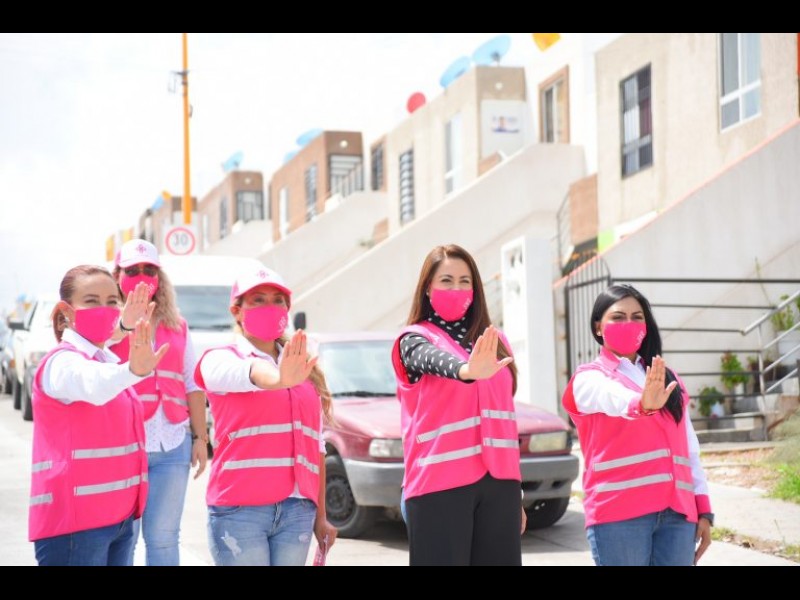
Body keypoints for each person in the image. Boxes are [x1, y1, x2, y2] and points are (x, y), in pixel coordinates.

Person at [194, 264, 337, 566]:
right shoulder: (219, 359)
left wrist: (321, 516)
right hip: (239, 510)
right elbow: (252, 373)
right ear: (237, 311)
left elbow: (316, 447)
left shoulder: (302, 368)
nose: (269, 307)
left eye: (277, 300)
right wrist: (280, 379)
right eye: (257, 300)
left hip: (298, 510)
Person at [391, 244, 525, 566]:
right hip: (438, 485)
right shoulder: (413, 339)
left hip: (500, 485)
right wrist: (466, 370)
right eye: (446, 281)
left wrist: (516, 495)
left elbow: (505, 418)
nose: (457, 289)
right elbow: (432, 360)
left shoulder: (495, 342)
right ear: (427, 288)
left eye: (465, 281)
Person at [561, 284, 713, 566]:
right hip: (619, 516)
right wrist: (641, 404)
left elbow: (689, 449)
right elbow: (612, 397)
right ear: (598, 327)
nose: (628, 324)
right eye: (618, 317)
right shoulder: (589, 378)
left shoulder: (667, 378)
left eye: (637, 317)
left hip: (678, 515)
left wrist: (703, 509)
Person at [29, 265, 168, 566]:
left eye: (111, 301)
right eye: (91, 301)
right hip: (74, 528)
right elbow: (93, 384)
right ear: (67, 311)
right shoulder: (62, 363)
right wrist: (132, 370)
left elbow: (107, 347)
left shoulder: (103, 358)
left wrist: (125, 326)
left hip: (117, 520)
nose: (103, 309)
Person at [108, 239, 208, 566]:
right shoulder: (108, 324)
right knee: (123, 538)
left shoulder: (177, 325)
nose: (141, 276)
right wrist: (124, 323)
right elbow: (96, 348)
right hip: (124, 444)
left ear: (159, 277)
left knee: (164, 538)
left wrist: (200, 438)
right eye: (132, 270)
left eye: (149, 270)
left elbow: (193, 383)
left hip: (173, 443)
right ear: (117, 275)